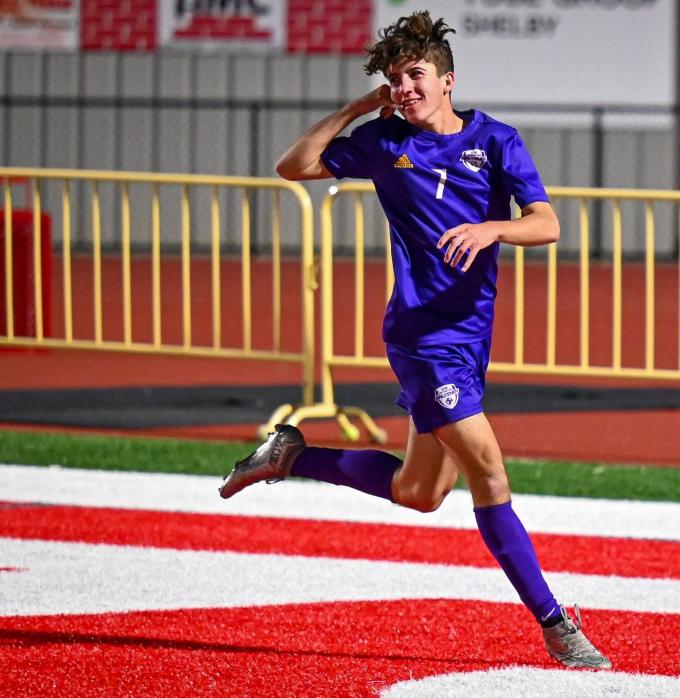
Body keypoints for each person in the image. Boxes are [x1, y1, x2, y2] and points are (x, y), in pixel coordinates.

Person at [218, 10, 611, 671]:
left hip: (469, 337)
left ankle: (291, 457)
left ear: (447, 80)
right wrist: (356, 107)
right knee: (489, 474)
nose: (404, 88)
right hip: (423, 336)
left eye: (415, 75)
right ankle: (555, 626)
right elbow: (296, 165)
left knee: (419, 493)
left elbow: (545, 225)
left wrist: (492, 229)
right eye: (395, 79)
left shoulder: (495, 140)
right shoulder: (382, 140)